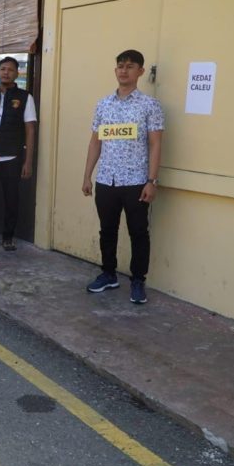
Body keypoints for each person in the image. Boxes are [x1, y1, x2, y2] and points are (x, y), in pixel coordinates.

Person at [81, 49, 164, 304]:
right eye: (119, 66)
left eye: (129, 66)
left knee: (138, 232)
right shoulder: (103, 104)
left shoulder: (150, 106)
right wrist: (87, 176)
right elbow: (95, 142)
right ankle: (108, 274)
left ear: (140, 71)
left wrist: (151, 180)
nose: (123, 70)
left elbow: (155, 144)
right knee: (107, 230)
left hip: (136, 181)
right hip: (107, 179)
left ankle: (138, 281)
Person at [0, 56, 37, 251]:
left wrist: (28, 161)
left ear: (17, 74)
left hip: (12, 157)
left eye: (10, 70)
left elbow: (30, 130)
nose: (6, 72)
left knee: (12, 199)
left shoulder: (26, 97)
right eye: (3, 69)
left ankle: (8, 236)